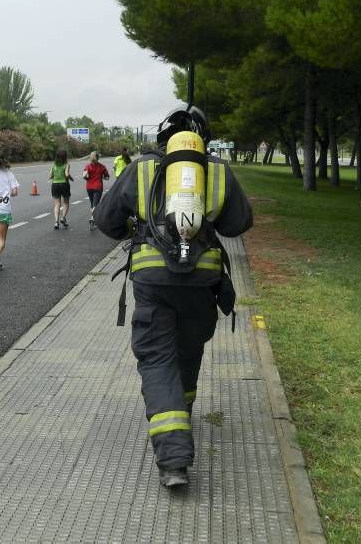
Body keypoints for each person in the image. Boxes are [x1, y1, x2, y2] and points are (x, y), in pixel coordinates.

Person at [94, 103, 252, 488]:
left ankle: (174, 460)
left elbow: (106, 220)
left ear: (163, 139)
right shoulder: (216, 171)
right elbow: (239, 223)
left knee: (157, 358)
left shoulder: (143, 168)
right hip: (202, 282)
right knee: (188, 350)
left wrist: (139, 223)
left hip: (153, 280)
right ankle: (182, 410)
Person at [82, 151, 109, 230]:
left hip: (89, 187)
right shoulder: (102, 166)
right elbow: (107, 177)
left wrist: (87, 177)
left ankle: (93, 221)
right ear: (98, 158)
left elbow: (84, 176)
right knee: (95, 204)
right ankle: (93, 219)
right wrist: (102, 177)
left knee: (92, 204)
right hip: (98, 187)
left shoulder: (88, 166)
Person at [49, 148, 73, 229]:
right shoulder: (67, 164)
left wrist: (55, 175)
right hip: (64, 184)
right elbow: (66, 174)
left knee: (57, 204)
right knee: (66, 202)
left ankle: (56, 222)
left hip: (55, 185)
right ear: (65, 156)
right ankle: (63, 218)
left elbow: (50, 175)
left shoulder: (53, 164)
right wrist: (71, 178)